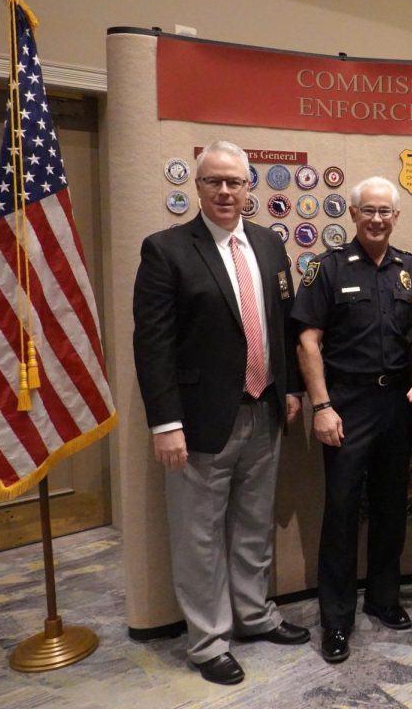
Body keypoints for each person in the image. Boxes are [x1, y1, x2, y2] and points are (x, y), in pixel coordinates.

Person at [133, 141, 308, 685]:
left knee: (253, 524)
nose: (226, 191)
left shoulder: (269, 244)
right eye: (215, 181)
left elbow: (283, 325)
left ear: (249, 187)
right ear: (199, 186)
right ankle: (208, 641)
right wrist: (165, 423)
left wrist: (293, 388)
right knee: (199, 535)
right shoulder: (166, 250)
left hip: (265, 409)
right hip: (200, 420)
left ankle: (253, 615)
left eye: (235, 181)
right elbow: (152, 345)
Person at [292, 177, 412, 664]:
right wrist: (322, 407)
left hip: (396, 406)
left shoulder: (411, 270)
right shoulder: (326, 269)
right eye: (368, 210)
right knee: (343, 511)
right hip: (345, 404)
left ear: (395, 217)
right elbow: (308, 342)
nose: (377, 219)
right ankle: (336, 618)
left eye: (385, 211)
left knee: (392, 506)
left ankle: (385, 599)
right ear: (352, 215)